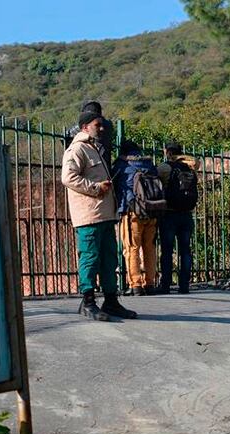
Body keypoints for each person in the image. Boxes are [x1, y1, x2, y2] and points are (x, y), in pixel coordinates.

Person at [61, 109, 137, 321]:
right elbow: (67, 177)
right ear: (85, 127)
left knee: (109, 259)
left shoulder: (93, 148)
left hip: (104, 215)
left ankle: (111, 301)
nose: (102, 128)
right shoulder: (77, 149)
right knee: (90, 258)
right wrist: (95, 188)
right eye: (97, 125)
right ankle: (88, 302)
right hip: (89, 216)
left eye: (102, 125)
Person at [112, 140, 161, 295]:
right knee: (149, 248)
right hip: (151, 210)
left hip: (131, 211)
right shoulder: (149, 164)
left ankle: (136, 285)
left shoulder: (122, 165)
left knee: (132, 248)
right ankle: (150, 283)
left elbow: (114, 185)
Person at [156, 142, 198, 294]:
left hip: (169, 213)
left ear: (167, 152)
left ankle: (165, 285)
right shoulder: (190, 168)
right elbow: (196, 162)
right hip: (187, 214)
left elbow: (152, 176)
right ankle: (184, 285)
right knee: (185, 250)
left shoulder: (165, 167)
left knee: (167, 250)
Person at [63, 101, 114, 171]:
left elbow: (66, 135)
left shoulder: (90, 125)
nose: (101, 129)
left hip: (91, 167)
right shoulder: (108, 125)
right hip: (104, 166)